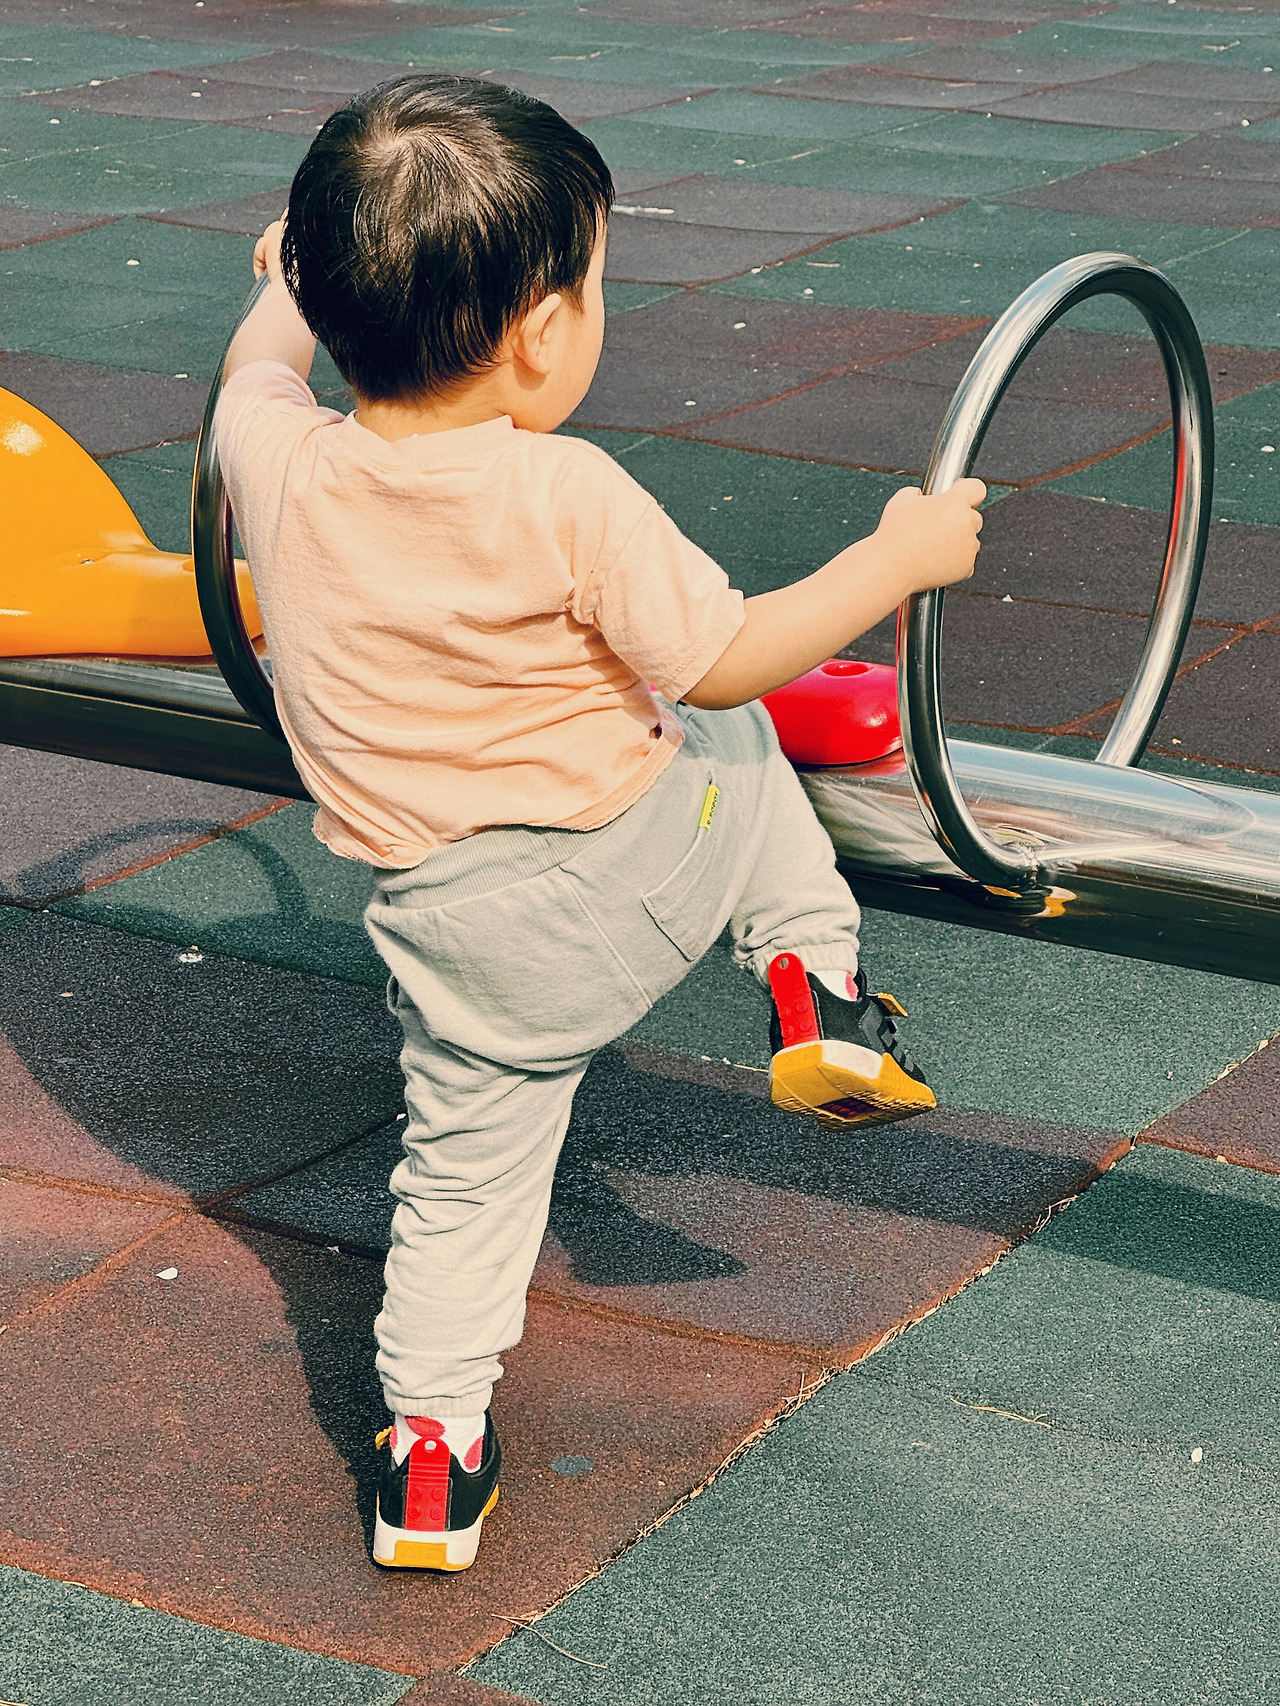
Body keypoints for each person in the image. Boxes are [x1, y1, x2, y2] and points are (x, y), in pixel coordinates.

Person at [215, 71, 985, 1574]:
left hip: (455, 940)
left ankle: (430, 1461)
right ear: (541, 331)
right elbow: (733, 654)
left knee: (460, 1194)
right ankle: (813, 980)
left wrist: (286, 288)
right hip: (640, 866)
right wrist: (893, 559)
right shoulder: (564, 490)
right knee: (728, 730)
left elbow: (254, 366)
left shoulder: (273, 457)